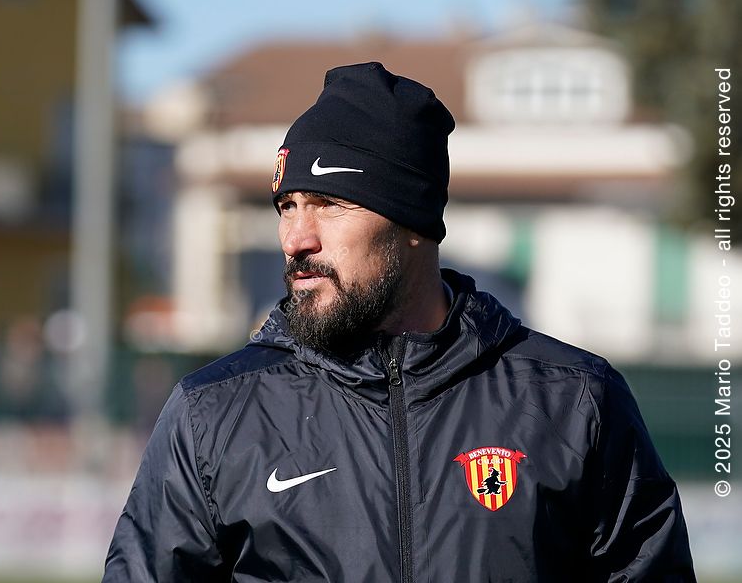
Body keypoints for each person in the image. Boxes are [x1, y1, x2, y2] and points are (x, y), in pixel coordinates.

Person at [103, 62, 695, 582]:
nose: (295, 239)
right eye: (287, 206)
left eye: (329, 204)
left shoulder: (573, 400)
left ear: (412, 220)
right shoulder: (213, 413)